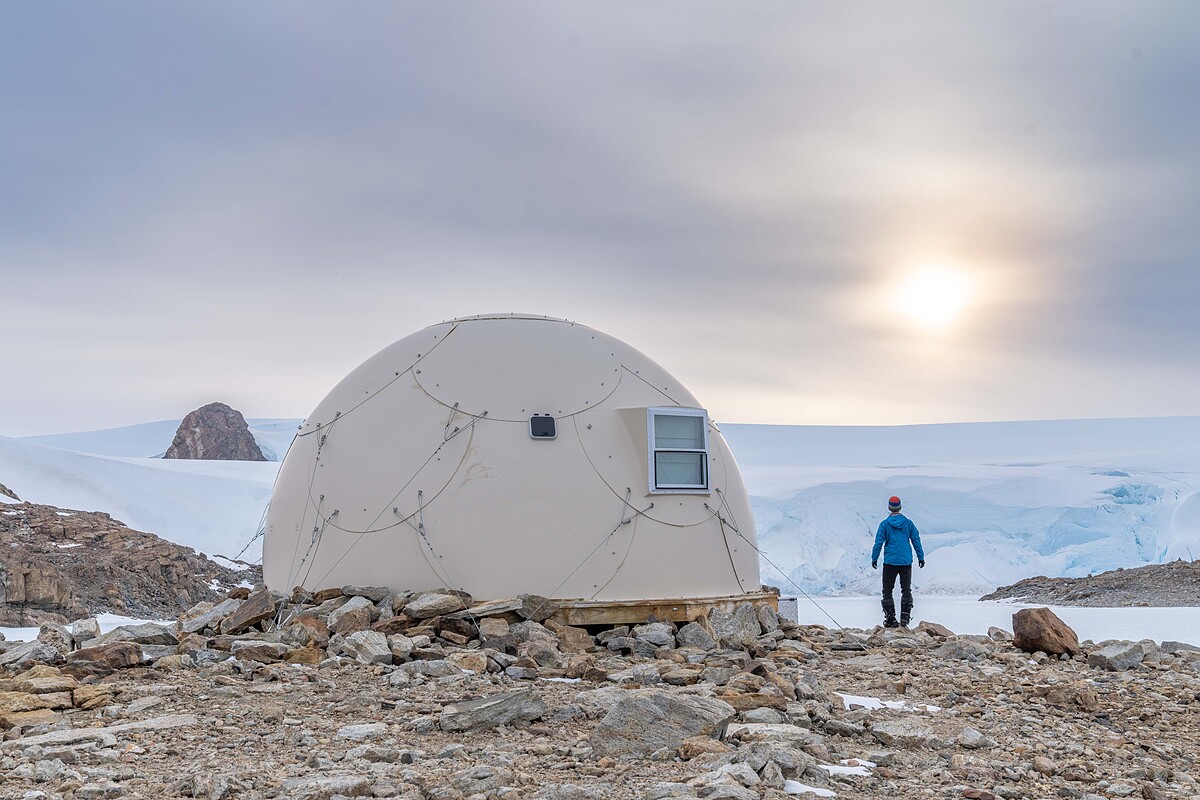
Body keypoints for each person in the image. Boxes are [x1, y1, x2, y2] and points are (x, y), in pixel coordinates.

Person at [871, 495, 925, 628]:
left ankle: (891, 619)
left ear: (889, 507)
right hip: (906, 561)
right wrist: (920, 556)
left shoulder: (884, 524)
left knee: (887, 591)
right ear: (900, 507)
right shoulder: (908, 523)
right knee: (906, 590)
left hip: (890, 562)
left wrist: (874, 557)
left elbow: (878, 542)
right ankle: (905, 619)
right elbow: (916, 540)